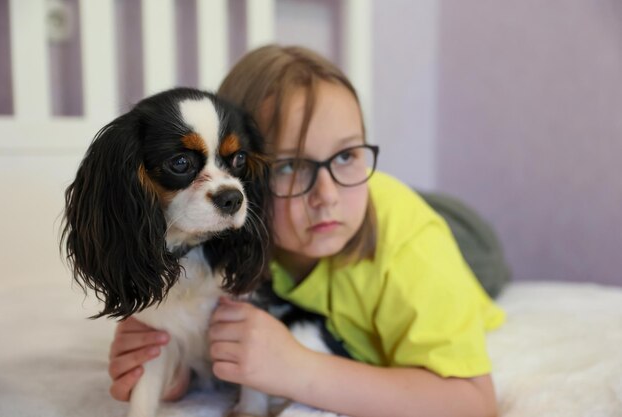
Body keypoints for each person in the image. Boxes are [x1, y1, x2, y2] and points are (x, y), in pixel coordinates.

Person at [107, 45, 505, 417]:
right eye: (289, 167)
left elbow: (473, 401)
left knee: (471, 254)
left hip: (454, 237)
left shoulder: (413, 243)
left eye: (347, 154)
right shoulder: (218, 223)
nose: (326, 196)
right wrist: (174, 364)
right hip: (355, 213)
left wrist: (300, 370)